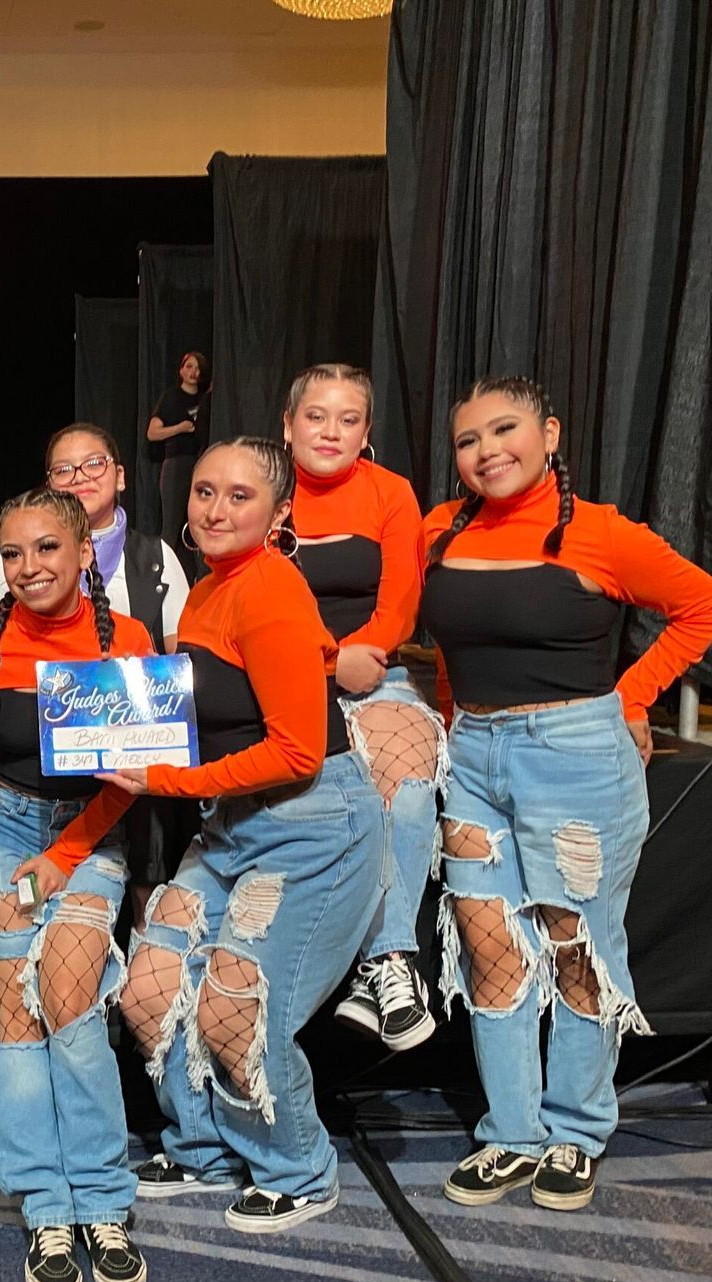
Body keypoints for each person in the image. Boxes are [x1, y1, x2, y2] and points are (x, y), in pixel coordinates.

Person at [424, 376, 712, 1212]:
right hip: (473, 758)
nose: (487, 451)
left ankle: (576, 1129)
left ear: (550, 433)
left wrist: (631, 698)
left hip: (574, 757)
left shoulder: (599, 533)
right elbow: (450, 649)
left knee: (576, 946)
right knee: (488, 946)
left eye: (505, 430)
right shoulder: (440, 530)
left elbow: (706, 605)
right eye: (468, 440)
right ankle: (512, 1132)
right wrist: (451, 723)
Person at [110, 437, 382, 1232]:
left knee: (238, 1006)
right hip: (232, 823)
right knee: (152, 984)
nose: (216, 510)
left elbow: (298, 751)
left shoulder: (267, 588)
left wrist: (164, 779)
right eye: (204, 492)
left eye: (239, 496)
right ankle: (203, 1148)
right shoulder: (207, 589)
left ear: (278, 512)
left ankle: (299, 1170)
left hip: (309, 826)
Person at [0, 486, 155, 1282]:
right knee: (13, 1010)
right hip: (2, 828)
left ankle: (102, 1200)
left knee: (69, 998)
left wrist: (63, 860)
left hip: (88, 835)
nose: (28, 567)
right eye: (12, 553)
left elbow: (130, 779)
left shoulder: (124, 639)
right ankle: (46, 1208)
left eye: (47, 548)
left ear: (84, 551)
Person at [278, 364, 443, 1052]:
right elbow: (251, 602)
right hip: (285, 681)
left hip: (375, 674)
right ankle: (379, 964)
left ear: (366, 431)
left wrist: (355, 658)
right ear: (289, 426)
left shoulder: (390, 492)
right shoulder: (264, 490)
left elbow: (401, 602)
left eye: (348, 420)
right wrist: (325, 662)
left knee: (408, 794)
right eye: (316, 417)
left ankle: (386, 963)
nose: (331, 432)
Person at [0, 423, 192, 924]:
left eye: (93, 464)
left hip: (117, 784)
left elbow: (176, 664)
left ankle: (141, 932)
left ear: (120, 475)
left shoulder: (154, 561)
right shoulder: (14, 572)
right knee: (15, 927)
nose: (79, 477)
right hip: (22, 789)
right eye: (63, 469)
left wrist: (136, 704)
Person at [147, 350, 209, 571]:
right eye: (189, 366)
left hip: (202, 464)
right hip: (176, 464)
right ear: (181, 370)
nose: (193, 372)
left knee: (200, 524)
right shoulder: (171, 397)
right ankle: (160, 575)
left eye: (198, 368)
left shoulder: (206, 399)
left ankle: (200, 578)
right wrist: (179, 428)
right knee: (171, 526)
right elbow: (152, 433)